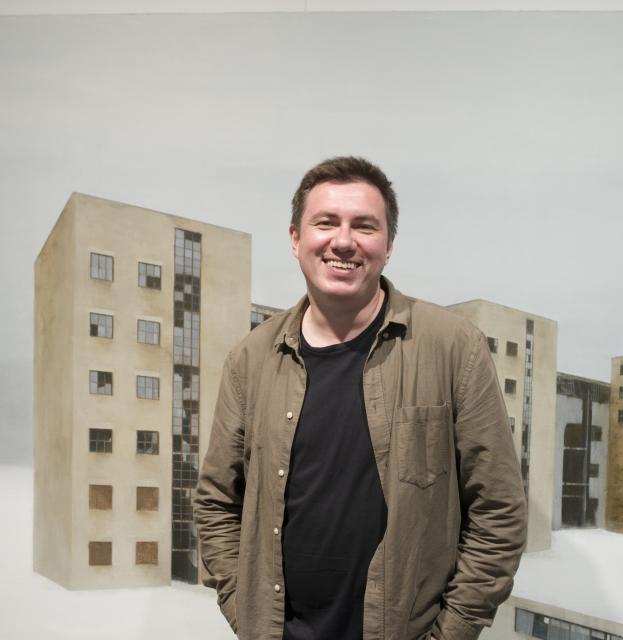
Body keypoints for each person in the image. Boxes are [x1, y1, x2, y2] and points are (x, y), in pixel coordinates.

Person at [194, 156, 527, 640]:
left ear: (388, 245)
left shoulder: (452, 346)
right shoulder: (250, 360)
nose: (344, 241)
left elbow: (498, 510)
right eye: (325, 223)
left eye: (364, 226)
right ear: (295, 238)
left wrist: (451, 632)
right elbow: (216, 502)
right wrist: (241, 608)